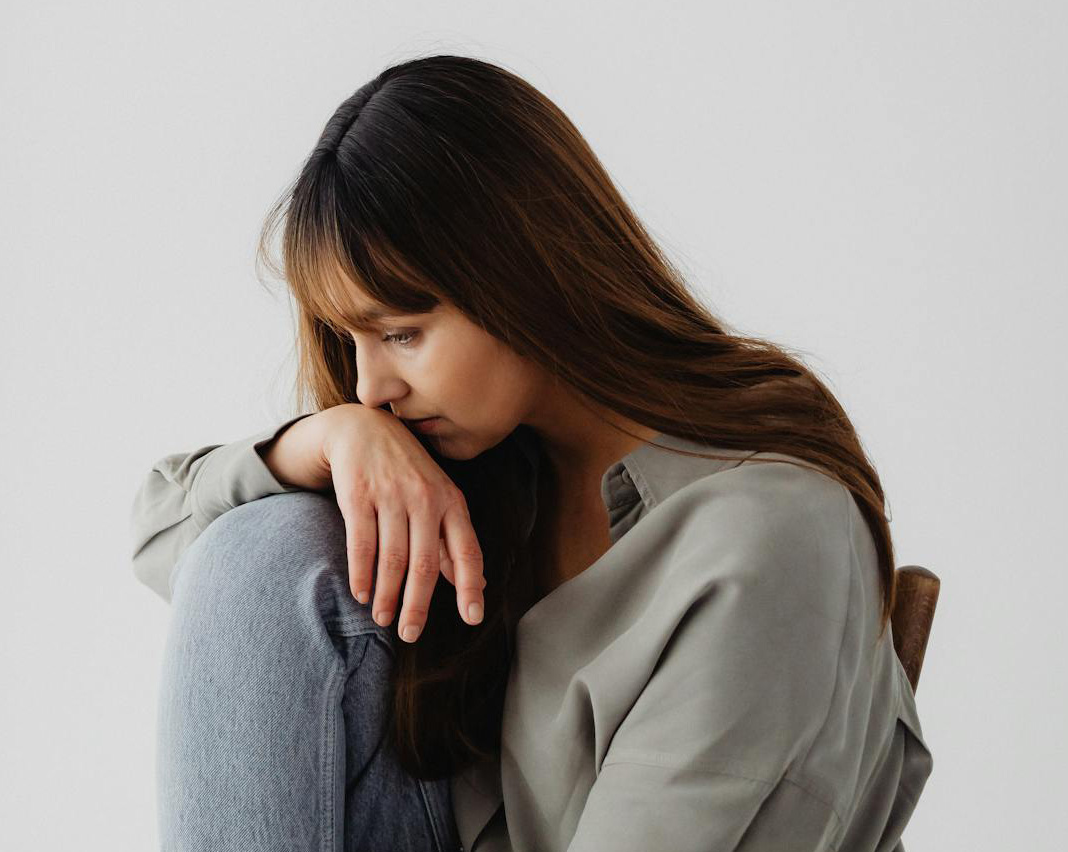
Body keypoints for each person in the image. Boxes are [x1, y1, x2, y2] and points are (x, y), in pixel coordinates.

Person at [129, 54, 934, 851]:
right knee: (264, 549)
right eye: (353, 340)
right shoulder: (493, 473)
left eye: (402, 332)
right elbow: (175, 549)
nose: (371, 387)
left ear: (520, 268)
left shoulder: (766, 537)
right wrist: (324, 439)